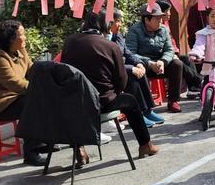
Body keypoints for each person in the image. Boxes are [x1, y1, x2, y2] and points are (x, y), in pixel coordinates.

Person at [61, 11, 159, 158]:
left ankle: (79, 150)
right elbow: (122, 80)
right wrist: (116, 91)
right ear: (104, 24)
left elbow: (65, 70)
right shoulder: (110, 46)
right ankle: (145, 144)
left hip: (75, 101)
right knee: (130, 101)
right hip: (102, 101)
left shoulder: (69, 42)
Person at [0, 19, 48, 165]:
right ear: (11, 40)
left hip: (10, 100)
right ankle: (31, 152)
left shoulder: (20, 51)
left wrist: (46, 81)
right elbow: (15, 84)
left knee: (42, 97)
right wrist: (39, 88)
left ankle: (46, 140)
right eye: (22, 34)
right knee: (31, 102)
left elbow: (31, 71)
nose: (25, 37)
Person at [125, 3, 186, 114]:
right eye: (157, 18)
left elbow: (169, 49)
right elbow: (130, 53)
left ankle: (173, 101)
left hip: (160, 64)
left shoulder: (164, 29)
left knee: (177, 64)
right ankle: (147, 107)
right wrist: (149, 63)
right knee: (138, 69)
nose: (161, 21)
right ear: (147, 20)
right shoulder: (134, 31)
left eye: (160, 18)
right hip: (144, 65)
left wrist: (162, 61)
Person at [110, 8, 166, 127]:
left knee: (141, 71)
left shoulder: (117, 36)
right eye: (117, 21)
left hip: (124, 67)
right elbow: (111, 64)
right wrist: (131, 69)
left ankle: (148, 110)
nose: (120, 24)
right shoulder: (103, 39)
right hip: (114, 72)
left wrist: (138, 63)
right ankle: (138, 114)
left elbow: (128, 53)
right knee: (132, 76)